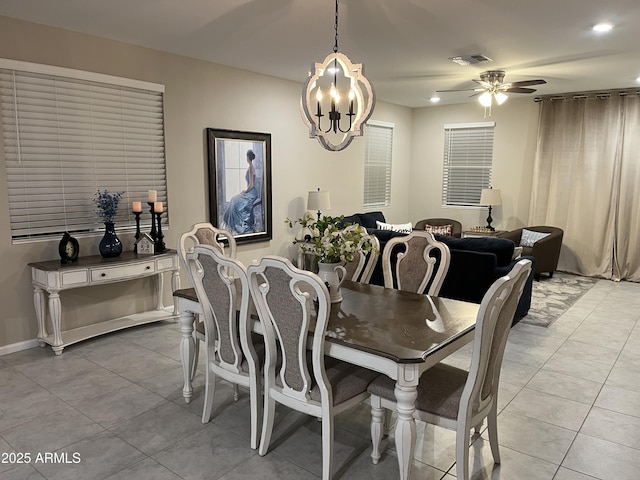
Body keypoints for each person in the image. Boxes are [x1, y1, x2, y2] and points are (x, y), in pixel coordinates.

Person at [223, 149, 260, 234]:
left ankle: (240, 225)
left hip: (252, 192)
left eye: (246, 157)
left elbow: (251, 185)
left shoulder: (251, 168)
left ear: (248, 158)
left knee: (234, 200)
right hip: (250, 191)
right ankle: (234, 223)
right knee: (234, 199)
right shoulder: (251, 167)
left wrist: (244, 192)